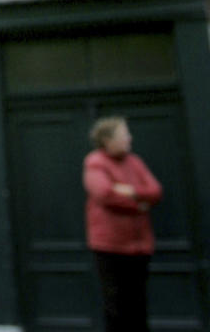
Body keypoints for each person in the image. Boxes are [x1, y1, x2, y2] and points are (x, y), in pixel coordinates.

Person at [83, 115, 163, 332]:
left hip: (139, 245)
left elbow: (155, 191)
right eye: (124, 134)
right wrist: (139, 204)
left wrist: (133, 191)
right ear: (108, 140)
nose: (129, 138)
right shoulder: (95, 163)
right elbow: (105, 194)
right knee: (116, 304)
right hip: (110, 246)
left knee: (139, 303)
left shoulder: (134, 162)